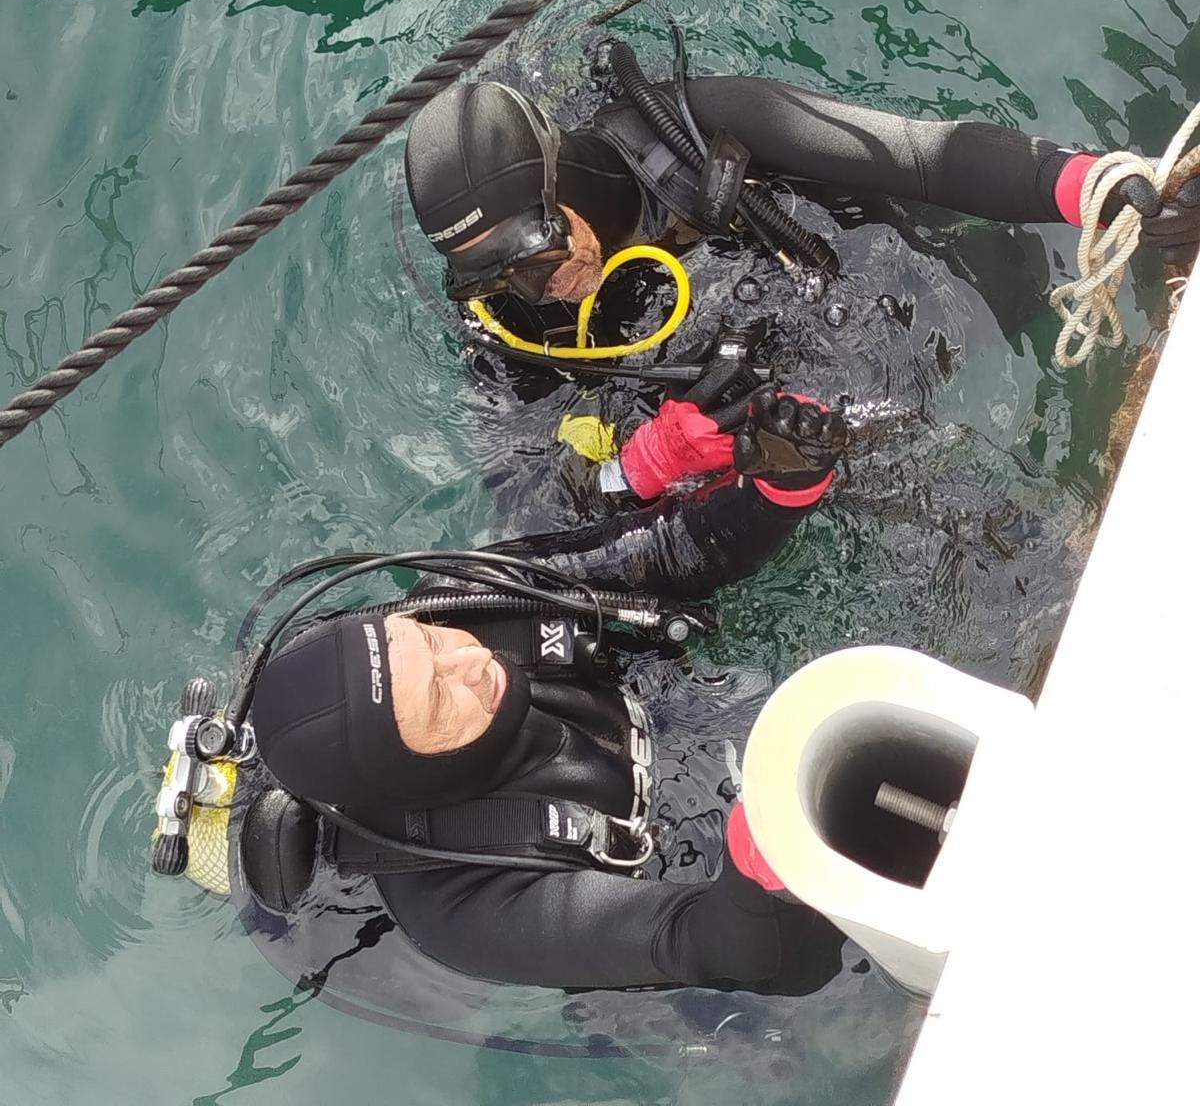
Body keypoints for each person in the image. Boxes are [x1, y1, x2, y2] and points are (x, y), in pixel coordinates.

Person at [240, 382, 853, 994]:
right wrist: (754, 870)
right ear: (406, 772)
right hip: (655, 871)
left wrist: (774, 493)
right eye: (436, 695)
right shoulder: (462, 908)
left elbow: (667, 554)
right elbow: (705, 947)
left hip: (653, 708)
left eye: (426, 643)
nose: (466, 659)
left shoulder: (464, 603)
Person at [401, 50, 1200, 309]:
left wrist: (1089, 185)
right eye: (489, 275)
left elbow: (920, 155)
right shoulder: (509, 312)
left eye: (535, 253)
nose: (535, 289)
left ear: (556, 184)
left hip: (812, 241)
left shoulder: (699, 120)